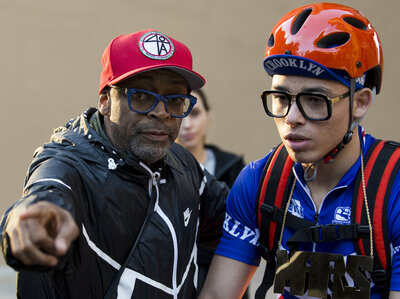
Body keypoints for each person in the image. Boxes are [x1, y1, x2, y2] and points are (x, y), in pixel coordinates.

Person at [0, 29, 229, 298]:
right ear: (105, 101)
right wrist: (32, 219)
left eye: (175, 100)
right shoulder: (70, 162)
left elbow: (240, 213)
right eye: (142, 96)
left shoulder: (183, 164)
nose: (161, 112)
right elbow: (48, 189)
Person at [199, 3, 400, 299]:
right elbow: (218, 295)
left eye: (315, 100)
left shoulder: (393, 187)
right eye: (281, 97)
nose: (291, 117)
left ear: (361, 102)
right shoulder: (259, 181)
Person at [177, 89, 245, 293]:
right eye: (180, 114)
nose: (187, 124)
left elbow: (242, 232)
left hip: (225, 272)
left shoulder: (233, 167)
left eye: (195, 113)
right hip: (175, 277)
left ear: (208, 115)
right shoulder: (157, 172)